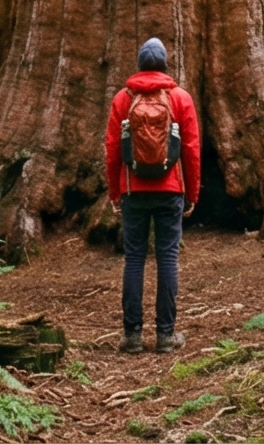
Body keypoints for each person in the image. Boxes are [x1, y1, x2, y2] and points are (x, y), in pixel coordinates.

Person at [105, 36, 201, 353]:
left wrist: (115, 191)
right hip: (171, 189)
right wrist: (193, 193)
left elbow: (112, 150)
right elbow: (191, 150)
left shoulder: (123, 99)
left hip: (133, 190)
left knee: (134, 258)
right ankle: (165, 335)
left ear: (140, 65)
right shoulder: (180, 99)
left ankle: (132, 336)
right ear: (164, 65)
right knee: (167, 257)